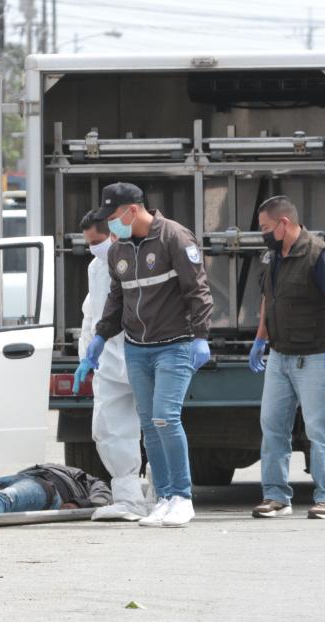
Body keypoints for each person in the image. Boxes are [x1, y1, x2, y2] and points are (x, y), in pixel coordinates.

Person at [76, 182, 213, 528]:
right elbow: (116, 300)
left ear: (132, 210)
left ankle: (182, 496)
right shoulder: (121, 251)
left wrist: (201, 336)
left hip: (174, 343)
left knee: (166, 417)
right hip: (139, 347)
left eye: (113, 217)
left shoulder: (174, 237)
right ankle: (164, 497)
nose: (111, 225)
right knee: (150, 426)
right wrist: (99, 339)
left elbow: (197, 289)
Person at [248, 195, 325, 520]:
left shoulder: (319, 254)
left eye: (265, 228)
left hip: (314, 357)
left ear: (284, 223)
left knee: (319, 427)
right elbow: (268, 300)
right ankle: (276, 496)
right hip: (279, 356)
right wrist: (260, 340)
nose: (262, 234)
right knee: (272, 426)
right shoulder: (272, 257)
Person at [74, 209, 148, 521]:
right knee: (109, 428)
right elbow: (91, 313)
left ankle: (167, 494)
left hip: (142, 351)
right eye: (89, 243)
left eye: (99, 241)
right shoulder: (95, 268)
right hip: (108, 357)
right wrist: (86, 357)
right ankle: (129, 499)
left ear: (114, 234)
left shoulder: (138, 259)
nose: (94, 248)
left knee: (159, 427)